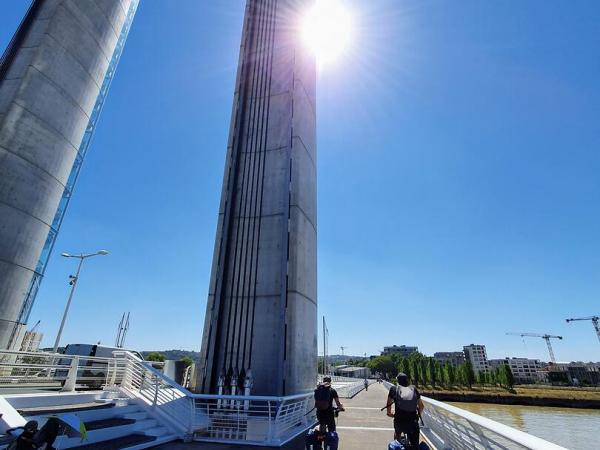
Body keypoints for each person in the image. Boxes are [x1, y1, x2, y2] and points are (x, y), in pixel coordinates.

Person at [386, 373, 424, 450]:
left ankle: (398, 441)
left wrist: (390, 413)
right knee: (414, 445)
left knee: (397, 439)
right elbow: (421, 406)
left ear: (398, 381)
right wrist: (417, 414)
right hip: (413, 421)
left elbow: (388, 404)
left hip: (399, 421)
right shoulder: (413, 389)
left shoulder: (394, 389)